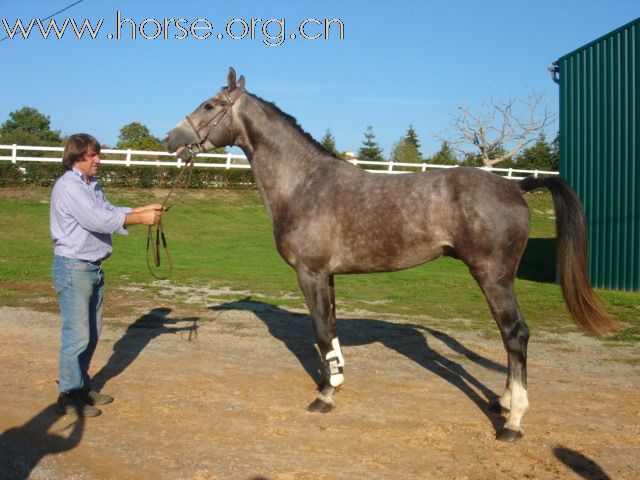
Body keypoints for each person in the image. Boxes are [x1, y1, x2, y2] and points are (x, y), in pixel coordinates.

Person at [50, 133, 165, 417]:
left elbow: (107, 211)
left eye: (97, 154)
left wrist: (141, 209)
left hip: (90, 267)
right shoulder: (69, 187)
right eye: (92, 155)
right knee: (77, 335)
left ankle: (80, 386)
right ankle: (67, 394)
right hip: (74, 267)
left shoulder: (91, 185)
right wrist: (140, 219)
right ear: (77, 158)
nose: (98, 159)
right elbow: (97, 220)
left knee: (91, 334)